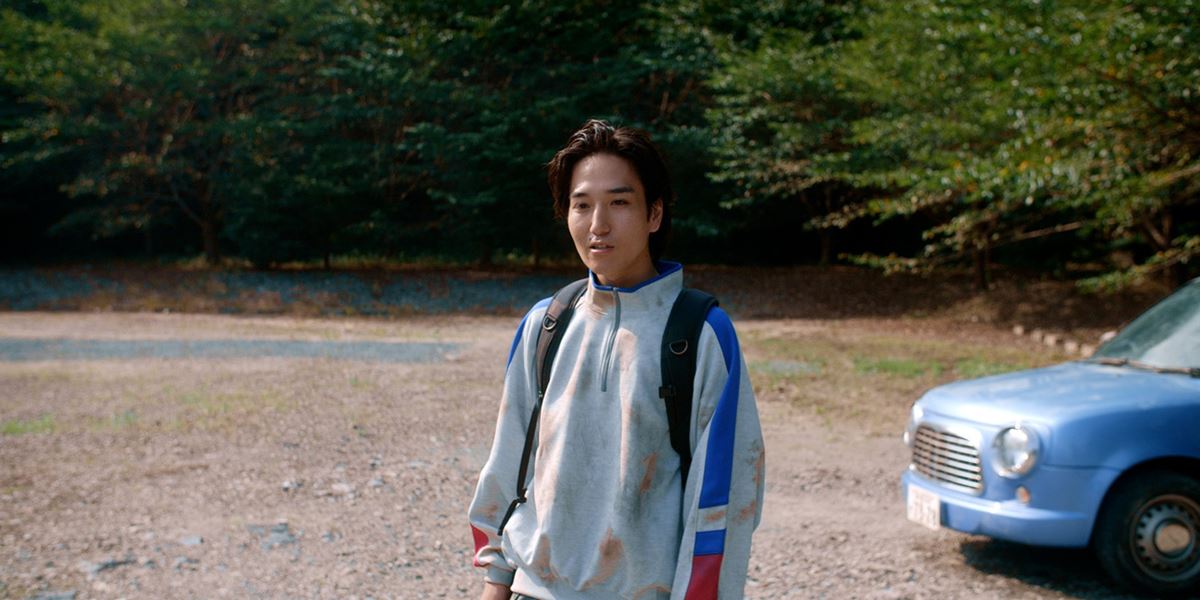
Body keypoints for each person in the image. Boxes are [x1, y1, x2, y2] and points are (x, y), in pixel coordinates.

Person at [468, 119, 765, 600]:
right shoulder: (546, 325)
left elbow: (723, 503)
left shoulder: (700, 334)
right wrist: (496, 582)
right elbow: (508, 468)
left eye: (619, 203)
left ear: (654, 214)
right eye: (581, 204)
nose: (597, 225)